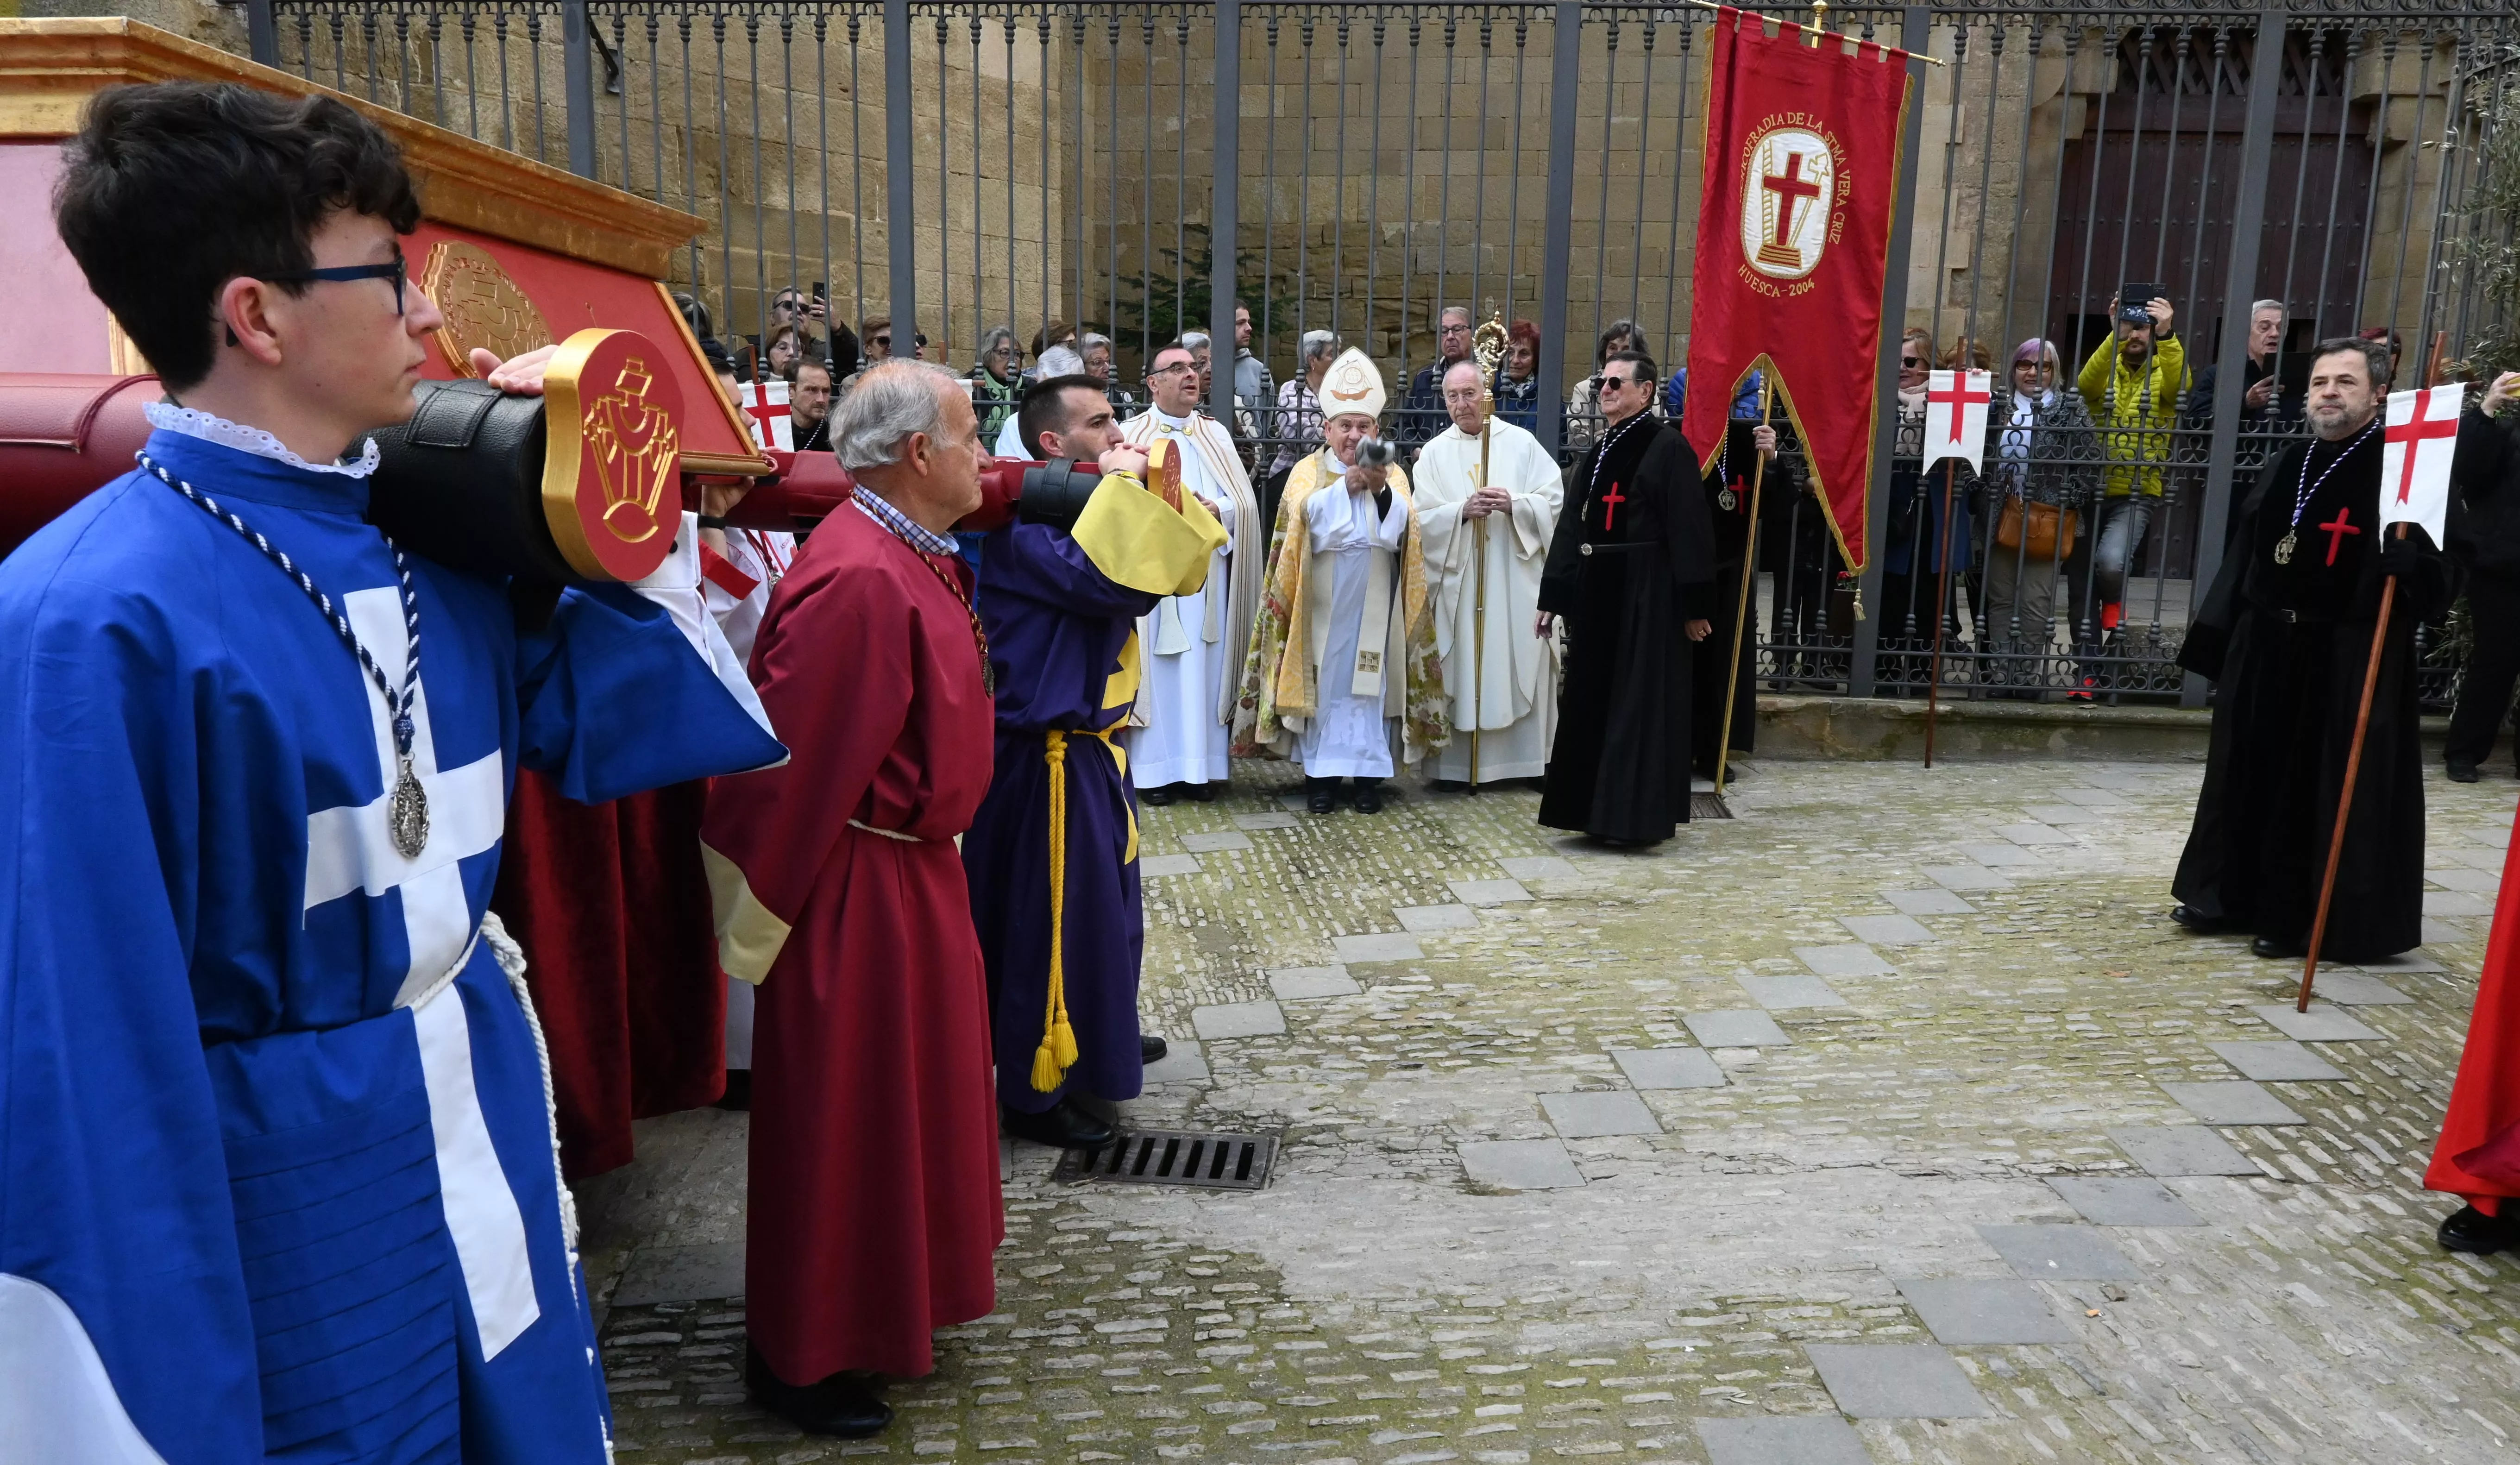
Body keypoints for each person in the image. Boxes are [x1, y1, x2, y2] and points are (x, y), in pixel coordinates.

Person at [1, 81, 783, 1463]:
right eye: (395, 277)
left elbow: (638, 723)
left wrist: (598, 505)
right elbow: (82, 1064)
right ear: (257, 314)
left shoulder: (436, 541)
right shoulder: (84, 617)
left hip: (473, 1112)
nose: (439, 317)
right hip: (287, 1194)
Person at [700, 361, 1005, 1438]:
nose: (987, 457)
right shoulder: (862, 577)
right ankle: (802, 1349)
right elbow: (786, 765)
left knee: (902, 1109)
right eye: (972, 437)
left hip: (911, 875)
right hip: (856, 892)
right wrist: (764, 919)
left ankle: (884, 1307)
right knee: (844, 1118)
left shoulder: (903, 551)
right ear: (918, 453)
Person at [964, 376, 1227, 1149]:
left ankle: (1100, 1033)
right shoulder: (1020, 527)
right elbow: (1117, 578)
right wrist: (1127, 486)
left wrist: (1144, 489)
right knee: (1045, 926)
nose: (1119, 431)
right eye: (1101, 421)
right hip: (1039, 761)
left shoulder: (1081, 508)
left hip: (1091, 752)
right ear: (1052, 443)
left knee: (1104, 917)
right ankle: (1036, 1089)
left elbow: (1188, 547)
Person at [2167, 338, 2490, 962]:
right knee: (2246, 771)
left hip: (2345, 647)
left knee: (2317, 782)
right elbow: (2250, 554)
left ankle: (2306, 916)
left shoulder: (2404, 468)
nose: (2329, 392)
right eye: (2319, 382)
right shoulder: (2290, 461)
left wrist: (2414, 566)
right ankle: (2227, 895)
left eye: (2344, 381)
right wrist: (2221, 637)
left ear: (2375, 393)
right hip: (2268, 642)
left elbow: (2450, 559)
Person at [1235, 348, 1449, 812]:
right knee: (1326, 684)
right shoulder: (1306, 472)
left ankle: (1369, 778)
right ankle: (1322, 777)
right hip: (1322, 598)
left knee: (1367, 685)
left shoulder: (1391, 473)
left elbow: (1405, 533)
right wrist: (1341, 491)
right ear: (1326, 429)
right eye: (1344, 426)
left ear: (1376, 430)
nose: (1354, 435)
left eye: (1363, 426)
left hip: (1373, 592)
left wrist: (1379, 492)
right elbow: (1298, 521)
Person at [1535, 351, 1718, 844]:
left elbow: (1689, 527)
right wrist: (1553, 593)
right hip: (1599, 588)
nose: (1606, 389)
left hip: (1646, 591)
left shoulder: (1666, 448)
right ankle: (1588, 812)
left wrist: (1694, 604)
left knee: (1636, 703)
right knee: (1592, 700)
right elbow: (1572, 522)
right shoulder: (1598, 451)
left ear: (1646, 392)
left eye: (1617, 382)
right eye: (1602, 381)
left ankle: (1630, 819)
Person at [1122, 341, 1266, 804]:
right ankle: (1152, 773)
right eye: (1177, 368)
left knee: (1204, 666)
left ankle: (1199, 769)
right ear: (1152, 383)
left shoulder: (1216, 435)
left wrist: (1216, 509)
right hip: (1153, 576)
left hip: (1207, 579)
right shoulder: (1131, 435)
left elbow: (1243, 504)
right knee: (1157, 668)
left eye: (1194, 367)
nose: (1190, 375)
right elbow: (1118, 506)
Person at [1414, 358, 1563, 787]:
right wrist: (1460, 512)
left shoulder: (1522, 444)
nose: (1462, 405)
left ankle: (1528, 763)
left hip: (1513, 579)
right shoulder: (1434, 456)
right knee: (1461, 662)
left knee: (1522, 657)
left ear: (1487, 395)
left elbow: (1553, 502)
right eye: (1453, 396)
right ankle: (1456, 768)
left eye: (1470, 394)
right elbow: (1419, 520)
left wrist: (1515, 504)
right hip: (1460, 584)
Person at [1669, 371, 1795, 779]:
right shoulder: (1677, 439)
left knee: (1723, 662)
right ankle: (1673, 747)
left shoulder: (1746, 439)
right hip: (1680, 567)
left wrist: (1772, 459)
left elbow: (1778, 506)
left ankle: (1714, 750)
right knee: (1679, 662)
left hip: (1731, 569)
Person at [2070, 293, 2187, 697]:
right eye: (2131, 326)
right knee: (2080, 582)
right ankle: (2086, 671)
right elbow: (2086, 384)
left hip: (2136, 490)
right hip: (2089, 488)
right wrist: (2114, 334)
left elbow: (2180, 386)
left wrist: (2168, 335)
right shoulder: (2109, 367)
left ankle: (2114, 602)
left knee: (2111, 562)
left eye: (2143, 327)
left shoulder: (2165, 370)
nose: (2137, 333)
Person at [1979, 338, 2099, 696]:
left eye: (2042, 367)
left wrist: (2066, 501)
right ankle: (2002, 676)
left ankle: (2026, 676)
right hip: (2000, 514)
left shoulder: (2069, 408)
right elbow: (1975, 453)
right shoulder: (1995, 408)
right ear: (2013, 369)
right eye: (2024, 365)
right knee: (2000, 598)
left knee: (2035, 599)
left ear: (2053, 372)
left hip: (2047, 519)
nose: (2033, 373)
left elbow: (2091, 463)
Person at [2443, 371, 2520, 781]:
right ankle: (2464, 753)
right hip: (2502, 565)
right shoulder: (2503, 432)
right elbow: (2468, 472)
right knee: (2494, 661)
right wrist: (2488, 408)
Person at [1269, 327, 1341, 516]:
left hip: (1335, 473)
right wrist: (1339, 436)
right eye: (1332, 354)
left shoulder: (1341, 391)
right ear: (1312, 361)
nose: (1340, 358)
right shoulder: (1292, 390)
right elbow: (1297, 435)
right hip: (1294, 472)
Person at [1565, 319, 1653, 452]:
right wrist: (1622, 436)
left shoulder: (1648, 390)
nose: (1618, 354)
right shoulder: (1584, 389)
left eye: (1626, 349)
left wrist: (1602, 435)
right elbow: (1577, 441)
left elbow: (1656, 435)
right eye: (1612, 348)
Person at [1397, 304, 1474, 451]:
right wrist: (1415, 451)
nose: (1450, 337)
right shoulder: (1424, 378)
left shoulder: (1487, 376)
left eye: (1457, 329)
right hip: (1430, 467)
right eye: (1444, 332)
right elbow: (1404, 426)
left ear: (1471, 333)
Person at [968, 323, 1024, 439]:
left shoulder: (1028, 387)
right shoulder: (972, 385)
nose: (1013, 360)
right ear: (988, 355)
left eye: (1017, 354)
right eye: (1005, 353)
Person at [1494, 318, 1542, 433]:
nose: (1515, 360)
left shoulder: (1546, 395)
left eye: (1524, 354)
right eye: (1510, 352)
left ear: (1535, 360)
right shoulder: (1489, 390)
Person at [786, 354, 836, 452]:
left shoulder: (837, 436)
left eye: (826, 391)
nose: (821, 399)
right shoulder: (777, 432)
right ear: (791, 392)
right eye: (812, 390)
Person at [1082, 331, 1136, 417]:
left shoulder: (1124, 399)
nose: (1108, 369)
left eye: (1108, 361)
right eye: (1098, 363)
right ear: (1082, 366)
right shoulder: (1075, 401)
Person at [1232, 300, 1273, 413]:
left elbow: (1265, 422)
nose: (1249, 328)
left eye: (1248, 322)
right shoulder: (1205, 367)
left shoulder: (1259, 370)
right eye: (1240, 323)